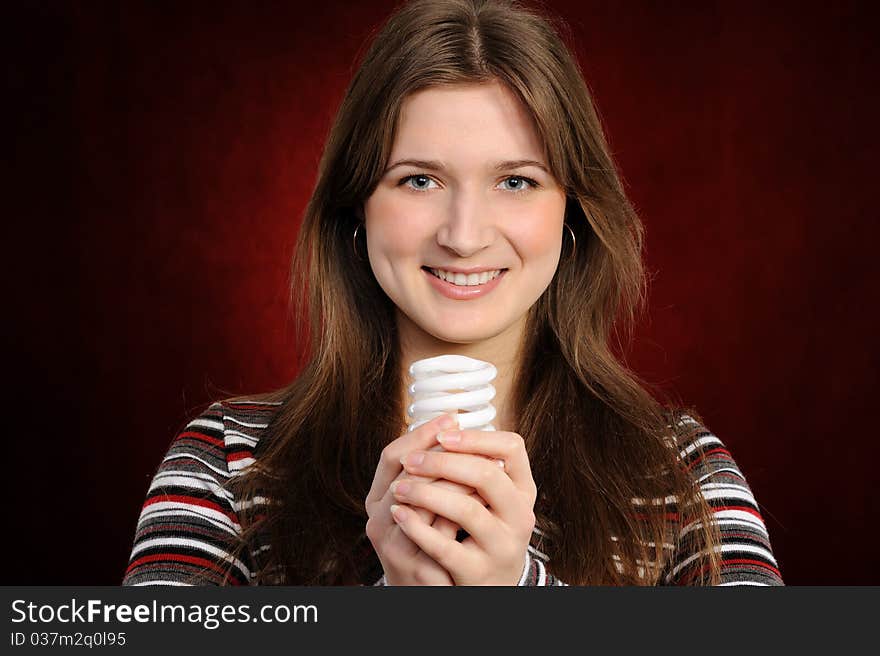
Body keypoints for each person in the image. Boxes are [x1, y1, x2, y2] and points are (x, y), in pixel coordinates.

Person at [122, 0, 783, 586]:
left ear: (572, 214)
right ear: (358, 210)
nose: (464, 237)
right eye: (419, 180)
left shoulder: (681, 477)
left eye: (516, 181)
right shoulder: (229, 467)